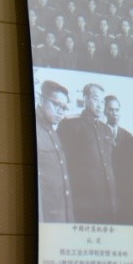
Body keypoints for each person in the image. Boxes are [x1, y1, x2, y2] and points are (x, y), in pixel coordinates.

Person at [58, 82, 117, 222]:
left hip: (108, 200)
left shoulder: (106, 130)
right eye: (96, 99)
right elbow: (63, 164)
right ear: (85, 99)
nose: (100, 105)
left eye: (102, 101)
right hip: (85, 201)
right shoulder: (70, 125)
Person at [36, 80, 74, 222]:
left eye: (64, 108)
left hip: (61, 217)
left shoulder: (53, 131)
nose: (61, 111)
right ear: (41, 100)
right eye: (57, 104)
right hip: (45, 220)